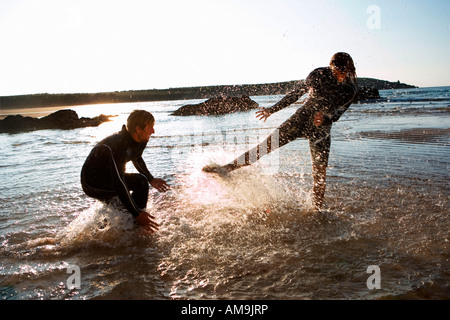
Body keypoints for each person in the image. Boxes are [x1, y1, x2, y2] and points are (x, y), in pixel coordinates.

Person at [204, 52, 358, 212]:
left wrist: (325, 118)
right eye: (336, 71)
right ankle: (226, 169)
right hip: (301, 119)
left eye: (343, 72)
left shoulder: (350, 89)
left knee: (319, 174)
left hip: (321, 131)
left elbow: (338, 113)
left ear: (349, 68)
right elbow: (296, 94)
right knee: (266, 146)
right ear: (331, 66)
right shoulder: (319, 74)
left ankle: (317, 211)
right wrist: (272, 110)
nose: (340, 75)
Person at [81, 110, 170, 232]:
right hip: (92, 182)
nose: (153, 131)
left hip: (110, 176)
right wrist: (137, 214)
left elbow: (137, 157)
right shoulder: (118, 145)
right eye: (150, 128)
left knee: (141, 182)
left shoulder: (141, 140)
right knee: (127, 201)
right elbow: (119, 182)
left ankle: (127, 226)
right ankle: (134, 225)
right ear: (138, 129)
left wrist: (151, 179)